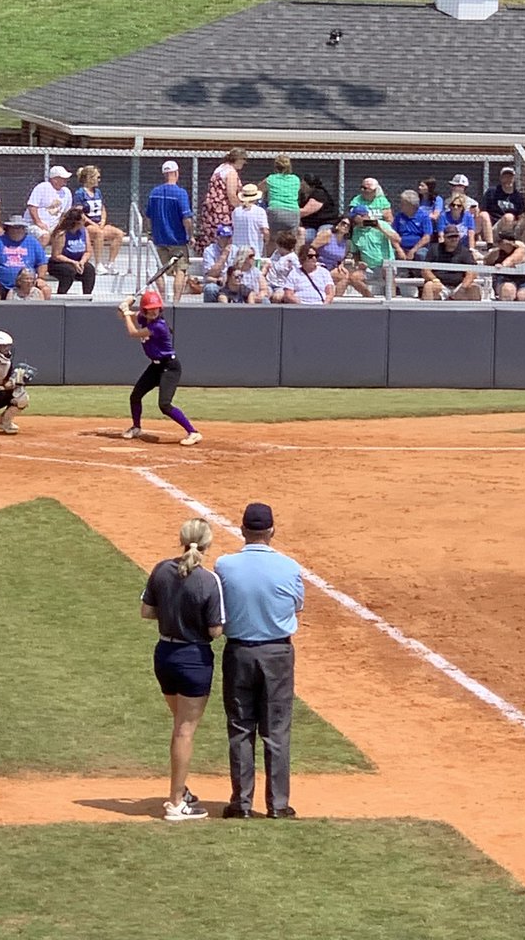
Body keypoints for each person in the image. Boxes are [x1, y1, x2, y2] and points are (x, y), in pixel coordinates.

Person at [215, 503, 304, 819]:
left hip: (239, 654)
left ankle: (241, 804)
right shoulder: (290, 567)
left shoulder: (224, 565)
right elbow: (298, 606)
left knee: (240, 728)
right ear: (272, 530)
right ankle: (278, 805)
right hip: (277, 655)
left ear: (242, 530)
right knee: (276, 730)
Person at [140, 518, 225, 821]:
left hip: (164, 655)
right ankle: (176, 803)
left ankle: (180, 788)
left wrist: (173, 613)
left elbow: (147, 611)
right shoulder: (208, 580)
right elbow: (215, 630)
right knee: (184, 731)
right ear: (207, 544)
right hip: (194, 659)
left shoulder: (162, 569)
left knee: (179, 726)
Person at [117, 289, 202, 446]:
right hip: (155, 367)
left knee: (164, 404)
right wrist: (127, 304)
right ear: (145, 310)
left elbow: (132, 332)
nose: (154, 311)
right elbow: (122, 315)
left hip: (169, 367)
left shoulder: (159, 326)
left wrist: (126, 312)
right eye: (150, 309)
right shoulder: (144, 317)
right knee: (135, 396)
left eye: (156, 308)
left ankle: (193, 432)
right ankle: (136, 427)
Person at [145, 161, 193, 303]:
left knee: (160, 269)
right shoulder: (180, 193)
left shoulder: (154, 192)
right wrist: (190, 235)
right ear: (176, 173)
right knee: (181, 270)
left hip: (160, 239)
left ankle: (162, 298)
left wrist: (150, 233)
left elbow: (148, 217)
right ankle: (176, 302)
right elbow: (187, 218)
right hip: (177, 240)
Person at [0, 214, 49, 300]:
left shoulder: (33, 242)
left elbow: (42, 262)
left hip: (27, 283)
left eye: (20, 227)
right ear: (8, 228)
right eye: (14, 227)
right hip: (2, 284)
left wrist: (41, 278)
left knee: (46, 290)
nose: (17, 230)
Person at [73, 165, 124, 274]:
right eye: (97, 177)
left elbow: (102, 208)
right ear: (89, 178)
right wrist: (92, 223)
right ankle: (98, 264)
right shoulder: (80, 193)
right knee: (98, 233)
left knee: (118, 233)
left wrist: (103, 220)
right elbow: (79, 213)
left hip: (99, 223)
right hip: (86, 225)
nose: (99, 180)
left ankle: (110, 263)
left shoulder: (97, 192)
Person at [312, 217, 369, 297]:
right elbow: (311, 249)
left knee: (346, 276)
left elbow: (341, 258)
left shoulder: (346, 243)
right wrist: (313, 263)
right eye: (343, 223)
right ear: (337, 225)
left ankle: (335, 299)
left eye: (348, 225)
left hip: (332, 267)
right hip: (319, 266)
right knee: (344, 277)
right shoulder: (327, 235)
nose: (345, 226)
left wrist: (340, 264)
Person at [199, 148, 245, 247]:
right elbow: (231, 195)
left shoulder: (220, 169)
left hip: (211, 210)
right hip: (222, 212)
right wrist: (241, 209)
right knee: (224, 241)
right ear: (238, 159)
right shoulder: (231, 172)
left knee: (212, 241)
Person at [421, 225, 480, 301]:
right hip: (440, 285)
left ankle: (475, 313)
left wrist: (463, 287)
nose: (453, 239)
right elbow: (425, 270)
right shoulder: (434, 249)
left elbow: (472, 272)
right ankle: (428, 312)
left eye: (456, 236)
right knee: (428, 286)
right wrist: (435, 280)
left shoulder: (465, 251)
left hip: (459, 286)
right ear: (444, 238)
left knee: (474, 288)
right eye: (450, 237)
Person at [48, 206, 96, 295]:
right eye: (83, 219)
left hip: (78, 262)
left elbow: (88, 251)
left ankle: (87, 296)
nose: (85, 220)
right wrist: (73, 262)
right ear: (76, 222)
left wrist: (82, 262)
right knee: (69, 271)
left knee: (89, 269)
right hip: (59, 264)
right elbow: (56, 255)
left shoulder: (84, 231)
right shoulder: (62, 233)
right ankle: (62, 295)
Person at [259, 154, 301, 251]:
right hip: (292, 212)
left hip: (275, 211)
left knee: (272, 240)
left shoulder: (270, 179)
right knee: (291, 241)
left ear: (275, 166)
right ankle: (291, 261)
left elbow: (259, 189)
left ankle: (270, 261)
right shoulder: (296, 179)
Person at [485, 225, 525, 301]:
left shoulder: (521, 250)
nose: (499, 243)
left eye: (501, 241)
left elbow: (512, 260)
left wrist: (503, 265)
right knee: (508, 290)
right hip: (504, 279)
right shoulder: (497, 252)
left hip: (524, 279)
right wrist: (492, 255)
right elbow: (486, 261)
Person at [26, 165, 73, 246]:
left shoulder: (67, 192)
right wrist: (39, 223)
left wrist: (61, 227)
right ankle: (39, 258)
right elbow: (32, 207)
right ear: (54, 179)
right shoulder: (42, 187)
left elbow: (65, 213)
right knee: (45, 236)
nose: (66, 180)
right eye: (63, 178)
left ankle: (57, 257)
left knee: (63, 234)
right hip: (33, 224)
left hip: (54, 226)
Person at [392, 190, 434, 263]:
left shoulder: (424, 217)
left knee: (421, 254)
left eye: (403, 203)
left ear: (411, 205)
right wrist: (399, 249)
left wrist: (413, 250)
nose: (400, 205)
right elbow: (393, 234)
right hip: (401, 247)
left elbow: (427, 237)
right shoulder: (399, 217)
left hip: (419, 248)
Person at [298, 172, 339, 242]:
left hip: (326, 223)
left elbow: (305, 211)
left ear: (309, 185)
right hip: (311, 226)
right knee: (302, 236)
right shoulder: (302, 196)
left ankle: (314, 251)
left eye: (303, 183)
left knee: (320, 235)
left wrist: (289, 212)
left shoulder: (319, 193)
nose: (301, 185)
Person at [262, 231, 301, 304]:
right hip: (269, 283)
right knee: (264, 295)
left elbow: (297, 274)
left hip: (282, 286)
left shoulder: (292, 258)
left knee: (277, 297)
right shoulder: (276, 253)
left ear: (281, 246)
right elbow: (269, 263)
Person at [230, 185, 269, 254]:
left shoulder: (236, 211)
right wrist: (266, 241)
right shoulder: (260, 211)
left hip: (237, 250)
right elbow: (265, 231)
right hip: (254, 250)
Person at [201, 224, 233, 302]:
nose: (227, 240)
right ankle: (210, 313)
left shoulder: (236, 250)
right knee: (210, 289)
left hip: (232, 282)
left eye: (229, 237)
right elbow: (211, 274)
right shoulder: (209, 251)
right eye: (224, 237)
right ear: (218, 237)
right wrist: (224, 256)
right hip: (216, 282)